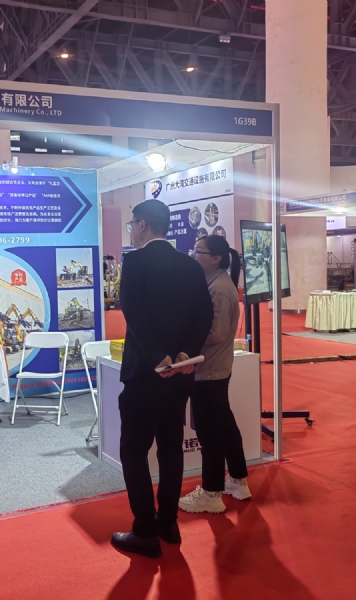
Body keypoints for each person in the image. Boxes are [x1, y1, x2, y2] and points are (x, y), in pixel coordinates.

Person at [110, 200, 214, 559]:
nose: (131, 231)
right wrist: (185, 354)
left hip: (144, 374)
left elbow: (134, 313)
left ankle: (145, 531)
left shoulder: (135, 262)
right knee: (171, 448)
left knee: (134, 451)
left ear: (142, 225)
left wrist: (158, 357)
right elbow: (205, 314)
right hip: (180, 375)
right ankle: (168, 523)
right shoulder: (190, 265)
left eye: (131, 225)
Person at [178, 235, 251, 514]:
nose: (193, 255)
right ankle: (237, 480)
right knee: (224, 424)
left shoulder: (219, 288)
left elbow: (216, 333)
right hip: (214, 367)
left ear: (216, 258)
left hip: (209, 369)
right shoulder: (215, 282)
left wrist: (183, 340)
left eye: (198, 251)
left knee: (209, 432)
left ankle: (211, 492)